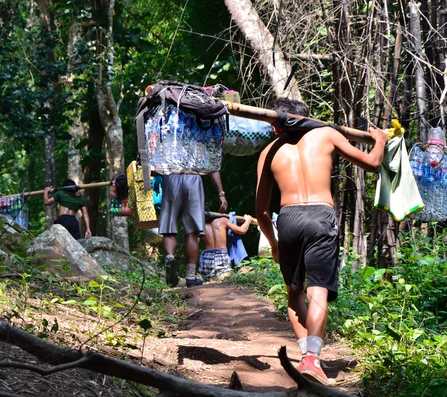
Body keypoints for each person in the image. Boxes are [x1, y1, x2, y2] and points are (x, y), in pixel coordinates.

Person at [255, 98, 387, 385]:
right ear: (307, 119)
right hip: (320, 216)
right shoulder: (326, 133)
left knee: (294, 294)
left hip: (287, 220)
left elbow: (262, 212)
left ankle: (307, 359)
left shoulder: (268, 152)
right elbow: (374, 163)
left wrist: (274, 242)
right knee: (318, 290)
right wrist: (380, 139)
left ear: (276, 126)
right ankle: (312, 360)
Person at [159, 172, 228, 287]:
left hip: (171, 179)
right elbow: (212, 167)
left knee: (168, 229)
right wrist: (221, 193)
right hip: (193, 179)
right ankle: (190, 276)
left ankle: (170, 258)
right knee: (192, 232)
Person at [199, 210, 253, 280]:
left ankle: (211, 277)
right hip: (221, 254)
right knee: (229, 275)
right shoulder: (222, 221)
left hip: (207, 256)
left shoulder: (200, 225)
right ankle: (224, 276)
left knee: (209, 277)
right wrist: (248, 220)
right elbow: (242, 230)